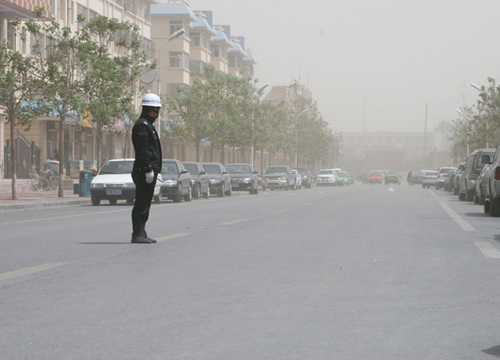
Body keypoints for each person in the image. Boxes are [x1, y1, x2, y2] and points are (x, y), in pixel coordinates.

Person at [130, 93, 163, 244]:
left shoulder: (147, 125)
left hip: (148, 171)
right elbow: (142, 150)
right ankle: (137, 234)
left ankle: (142, 232)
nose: (157, 113)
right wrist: (147, 168)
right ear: (150, 109)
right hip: (144, 171)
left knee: (145, 203)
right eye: (156, 109)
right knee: (141, 203)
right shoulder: (142, 126)